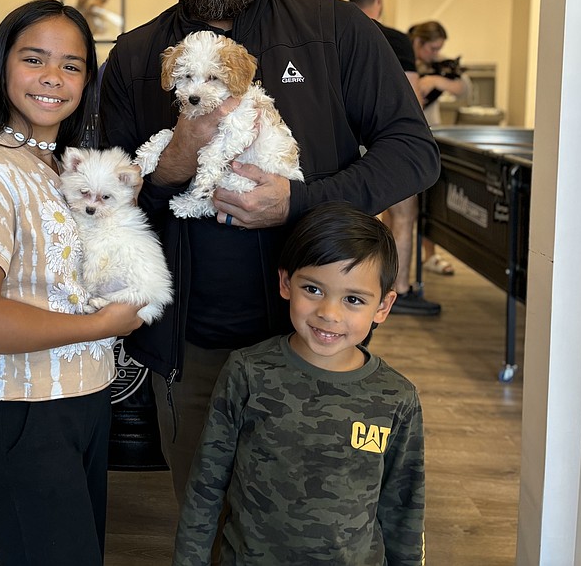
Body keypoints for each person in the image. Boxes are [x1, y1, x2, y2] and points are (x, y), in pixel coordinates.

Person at [99, 0, 440, 502]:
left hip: (316, 340)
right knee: (205, 523)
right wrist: (170, 162)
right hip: (190, 352)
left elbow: (413, 150)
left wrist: (301, 201)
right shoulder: (139, 56)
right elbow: (107, 202)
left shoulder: (333, 28)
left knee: (314, 522)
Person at [0, 0, 145, 566]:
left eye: (72, 65)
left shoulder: (63, 169)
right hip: (22, 414)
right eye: (34, 59)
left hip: (85, 403)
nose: (53, 78)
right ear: (2, 67)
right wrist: (102, 324)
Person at [172, 201, 425, 565]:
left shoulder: (397, 398)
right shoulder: (247, 372)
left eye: (353, 299)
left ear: (383, 307)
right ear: (286, 282)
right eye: (314, 289)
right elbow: (205, 488)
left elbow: (404, 509)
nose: (329, 313)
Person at [346, 0, 440, 315]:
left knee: (355, 214)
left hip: (347, 142)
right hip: (386, 143)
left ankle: (352, 284)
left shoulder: (338, 32)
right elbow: (410, 99)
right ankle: (395, 288)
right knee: (402, 214)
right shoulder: (396, 40)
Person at [410, 20, 468, 276]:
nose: (436, 54)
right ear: (418, 43)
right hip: (405, 138)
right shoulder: (402, 57)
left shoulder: (438, 65)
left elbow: (464, 88)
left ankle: (429, 256)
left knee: (428, 202)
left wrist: (436, 80)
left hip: (430, 133)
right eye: (432, 48)